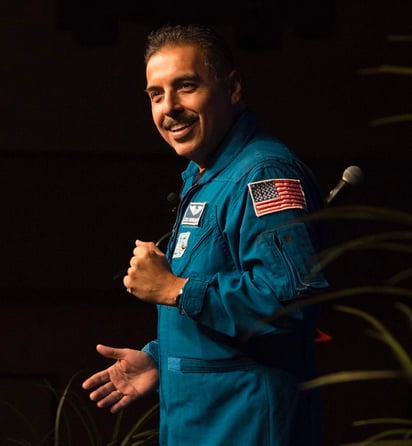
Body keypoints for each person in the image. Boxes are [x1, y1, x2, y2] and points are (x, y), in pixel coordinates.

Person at [82, 23, 329, 446]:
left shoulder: (262, 174)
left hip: (247, 427)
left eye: (186, 86)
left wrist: (177, 289)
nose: (169, 107)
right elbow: (219, 310)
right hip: (201, 424)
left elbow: (291, 304)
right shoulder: (208, 175)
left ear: (231, 88)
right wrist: (160, 359)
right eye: (156, 95)